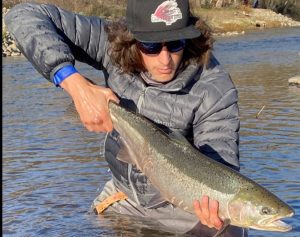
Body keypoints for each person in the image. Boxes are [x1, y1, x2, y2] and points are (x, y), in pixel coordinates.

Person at [5, 1, 246, 236]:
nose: (165, 59)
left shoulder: (215, 86)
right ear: (131, 39)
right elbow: (23, 15)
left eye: (175, 43)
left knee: (232, 230)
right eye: (151, 46)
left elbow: (221, 167)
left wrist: (213, 207)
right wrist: (74, 84)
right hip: (124, 198)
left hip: (183, 208)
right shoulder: (109, 41)